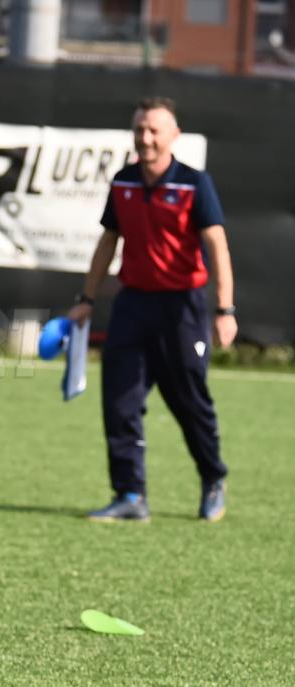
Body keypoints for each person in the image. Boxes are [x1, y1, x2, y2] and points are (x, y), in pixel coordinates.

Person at [68, 96, 237, 524]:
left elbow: (217, 245)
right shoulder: (123, 181)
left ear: (173, 135)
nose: (145, 138)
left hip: (182, 309)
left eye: (153, 130)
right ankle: (130, 494)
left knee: (189, 403)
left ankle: (213, 477)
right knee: (120, 401)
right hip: (133, 305)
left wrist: (225, 309)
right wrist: (86, 300)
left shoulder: (194, 183)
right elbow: (108, 242)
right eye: (139, 129)